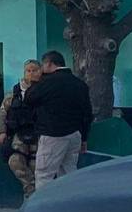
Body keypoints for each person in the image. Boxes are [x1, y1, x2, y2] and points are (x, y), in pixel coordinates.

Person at [24, 50, 94, 192]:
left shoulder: (47, 82)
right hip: (75, 134)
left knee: (44, 175)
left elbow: (29, 99)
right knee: (68, 172)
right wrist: (84, 138)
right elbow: (87, 113)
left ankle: (44, 209)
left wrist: (35, 82)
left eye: (43, 66)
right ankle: (70, 205)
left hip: (52, 135)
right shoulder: (79, 84)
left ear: (49, 64)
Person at [0, 60, 42, 198]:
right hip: (19, 134)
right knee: (15, 161)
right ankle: (30, 189)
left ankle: (38, 194)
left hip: (39, 134)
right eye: (28, 70)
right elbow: (2, 112)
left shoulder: (45, 90)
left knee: (37, 166)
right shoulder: (15, 93)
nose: (31, 73)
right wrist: (2, 131)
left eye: (34, 70)